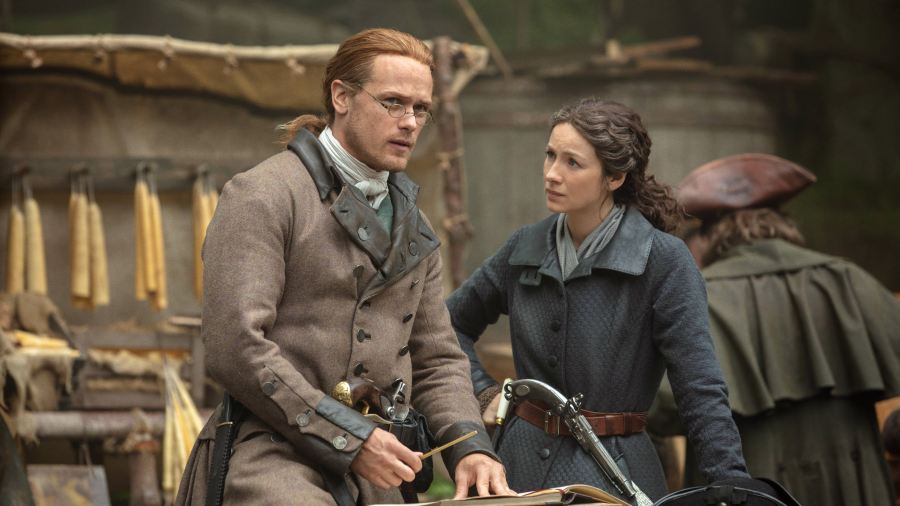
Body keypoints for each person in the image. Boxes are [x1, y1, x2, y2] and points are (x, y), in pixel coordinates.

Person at [176, 28, 511, 506]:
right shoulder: (263, 195)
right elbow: (236, 347)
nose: (410, 122)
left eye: (421, 109)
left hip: (382, 471)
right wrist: (348, 439)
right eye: (393, 102)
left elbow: (436, 358)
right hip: (272, 453)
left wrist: (470, 448)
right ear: (342, 97)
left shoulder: (413, 224)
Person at [446, 98, 749, 501]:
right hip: (515, 471)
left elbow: (700, 386)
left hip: (615, 476)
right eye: (550, 155)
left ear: (615, 177)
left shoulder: (663, 260)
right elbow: (446, 327)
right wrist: (484, 393)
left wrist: (730, 484)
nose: (552, 174)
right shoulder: (523, 247)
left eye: (572, 163)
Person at [651, 153, 900, 505]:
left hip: (752, 495)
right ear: (783, 222)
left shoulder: (699, 297)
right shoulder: (847, 280)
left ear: (710, 236)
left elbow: (656, 410)